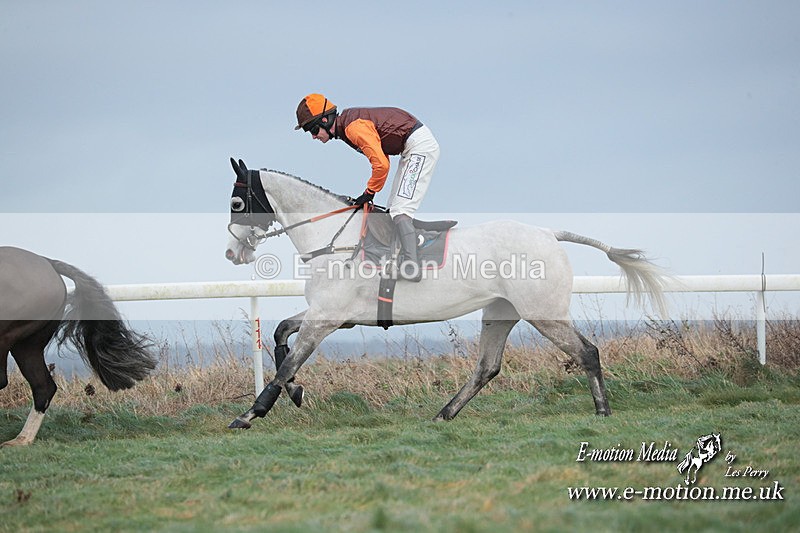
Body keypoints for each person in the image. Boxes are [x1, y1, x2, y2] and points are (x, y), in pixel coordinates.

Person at [294, 93, 440, 282]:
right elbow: (382, 156)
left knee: (400, 210)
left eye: (313, 130)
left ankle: (412, 267)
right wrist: (370, 191)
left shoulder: (353, 128)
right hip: (409, 148)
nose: (314, 136)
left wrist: (369, 192)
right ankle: (404, 255)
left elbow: (381, 164)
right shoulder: (347, 127)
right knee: (392, 210)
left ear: (325, 119)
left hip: (419, 147)